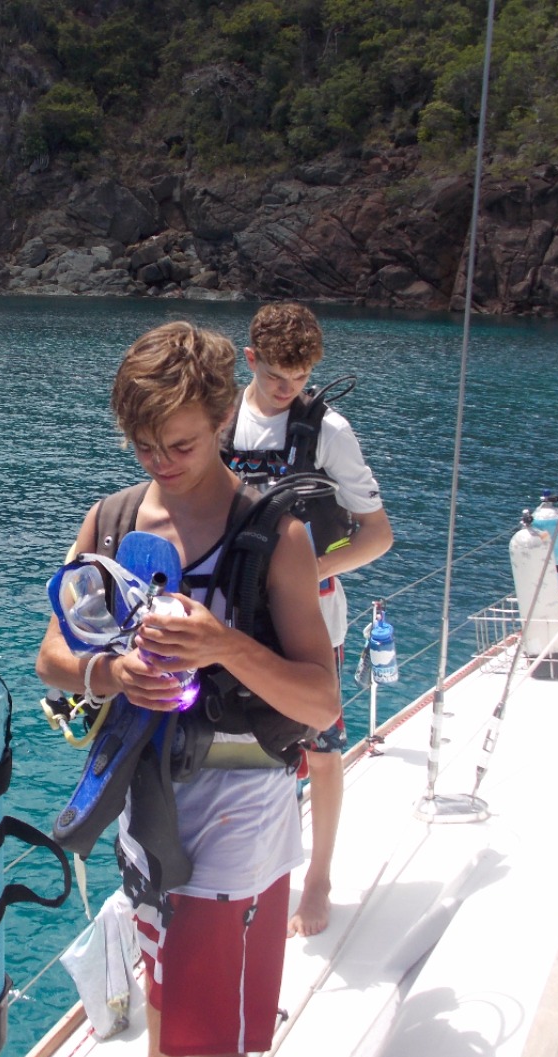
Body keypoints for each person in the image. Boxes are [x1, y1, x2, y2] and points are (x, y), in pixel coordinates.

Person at [36, 322, 342, 1057]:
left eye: (181, 445)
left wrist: (224, 646)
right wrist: (114, 674)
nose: (161, 464)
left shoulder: (275, 536)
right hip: (145, 800)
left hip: (240, 809)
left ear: (222, 420)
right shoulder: (110, 523)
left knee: (212, 1036)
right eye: (144, 447)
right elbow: (52, 659)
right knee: (167, 998)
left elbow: (320, 701)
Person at [224, 302, 394, 938]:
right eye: (275, 376)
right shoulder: (219, 419)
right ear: (251, 359)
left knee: (321, 749)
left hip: (316, 619)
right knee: (234, 742)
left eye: (300, 378)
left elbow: (377, 535)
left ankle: (317, 877)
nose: (287, 389)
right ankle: (244, 873)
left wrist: (308, 569)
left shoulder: (330, 433)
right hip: (234, 617)